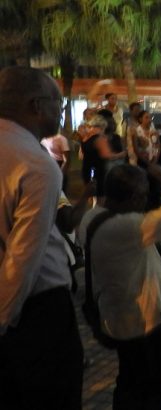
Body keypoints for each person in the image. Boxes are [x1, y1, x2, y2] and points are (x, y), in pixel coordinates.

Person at [0, 66, 84, 409]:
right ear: (36, 106)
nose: (61, 112)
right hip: (34, 315)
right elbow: (23, 260)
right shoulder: (36, 164)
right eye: (58, 104)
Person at [79, 163, 161, 409]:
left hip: (118, 317)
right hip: (144, 322)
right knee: (155, 391)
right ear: (131, 198)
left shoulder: (91, 217)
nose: (145, 201)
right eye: (142, 195)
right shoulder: (131, 226)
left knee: (129, 382)